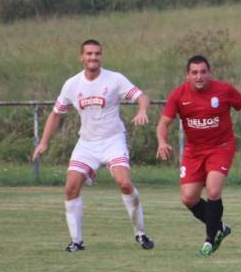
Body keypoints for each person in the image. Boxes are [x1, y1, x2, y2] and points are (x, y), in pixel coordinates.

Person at [31, 39, 153, 252]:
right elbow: (56, 114)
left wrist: (142, 110)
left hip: (113, 140)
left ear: (101, 56)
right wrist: (43, 142)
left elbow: (141, 96)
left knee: (124, 183)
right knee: (70, 188)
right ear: (82, 57)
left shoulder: (114, 79)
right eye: (89, 54)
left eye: (97, 54)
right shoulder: (72, 84)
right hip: (87, 144)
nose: (93, 57)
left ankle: (140, 233)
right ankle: (76, 241)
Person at [156, 55, 241, 256]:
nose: (199, 76)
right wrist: (162, 142)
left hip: (220, 147)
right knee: (188, 198)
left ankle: (210, 240)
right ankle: (220, 227)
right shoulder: (179, 95)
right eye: (194, 72)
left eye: (203, 72)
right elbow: (163, 123)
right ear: (188, 75)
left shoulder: (224, 90)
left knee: (213, 191)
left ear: (209, 73)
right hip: (194, 151)